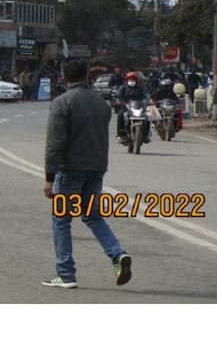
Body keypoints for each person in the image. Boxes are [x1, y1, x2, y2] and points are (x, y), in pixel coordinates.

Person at [43, 60, 132, 289]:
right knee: (92, 216)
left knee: (61, 220)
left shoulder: (62, 102)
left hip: (70, 170)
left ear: (65, 79)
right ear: (87, 77)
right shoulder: (101, 103)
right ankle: (117, 254)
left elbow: (55, 143)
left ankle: (65, 274)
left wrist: (49, 177)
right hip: (97, 169)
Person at [114, 71, 148, 143]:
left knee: (147, 117)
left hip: (138, 107)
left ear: (136, 80)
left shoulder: (140, 88)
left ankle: (145, 135)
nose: (132, 81)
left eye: (133, 79)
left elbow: (146, 95)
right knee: (120, 115)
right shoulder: (123, 87)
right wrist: (118, 101)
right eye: (130, 79)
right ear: (127, 80)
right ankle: (121, 135)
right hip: (125, 106)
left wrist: (149, 100)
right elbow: (118, 95)